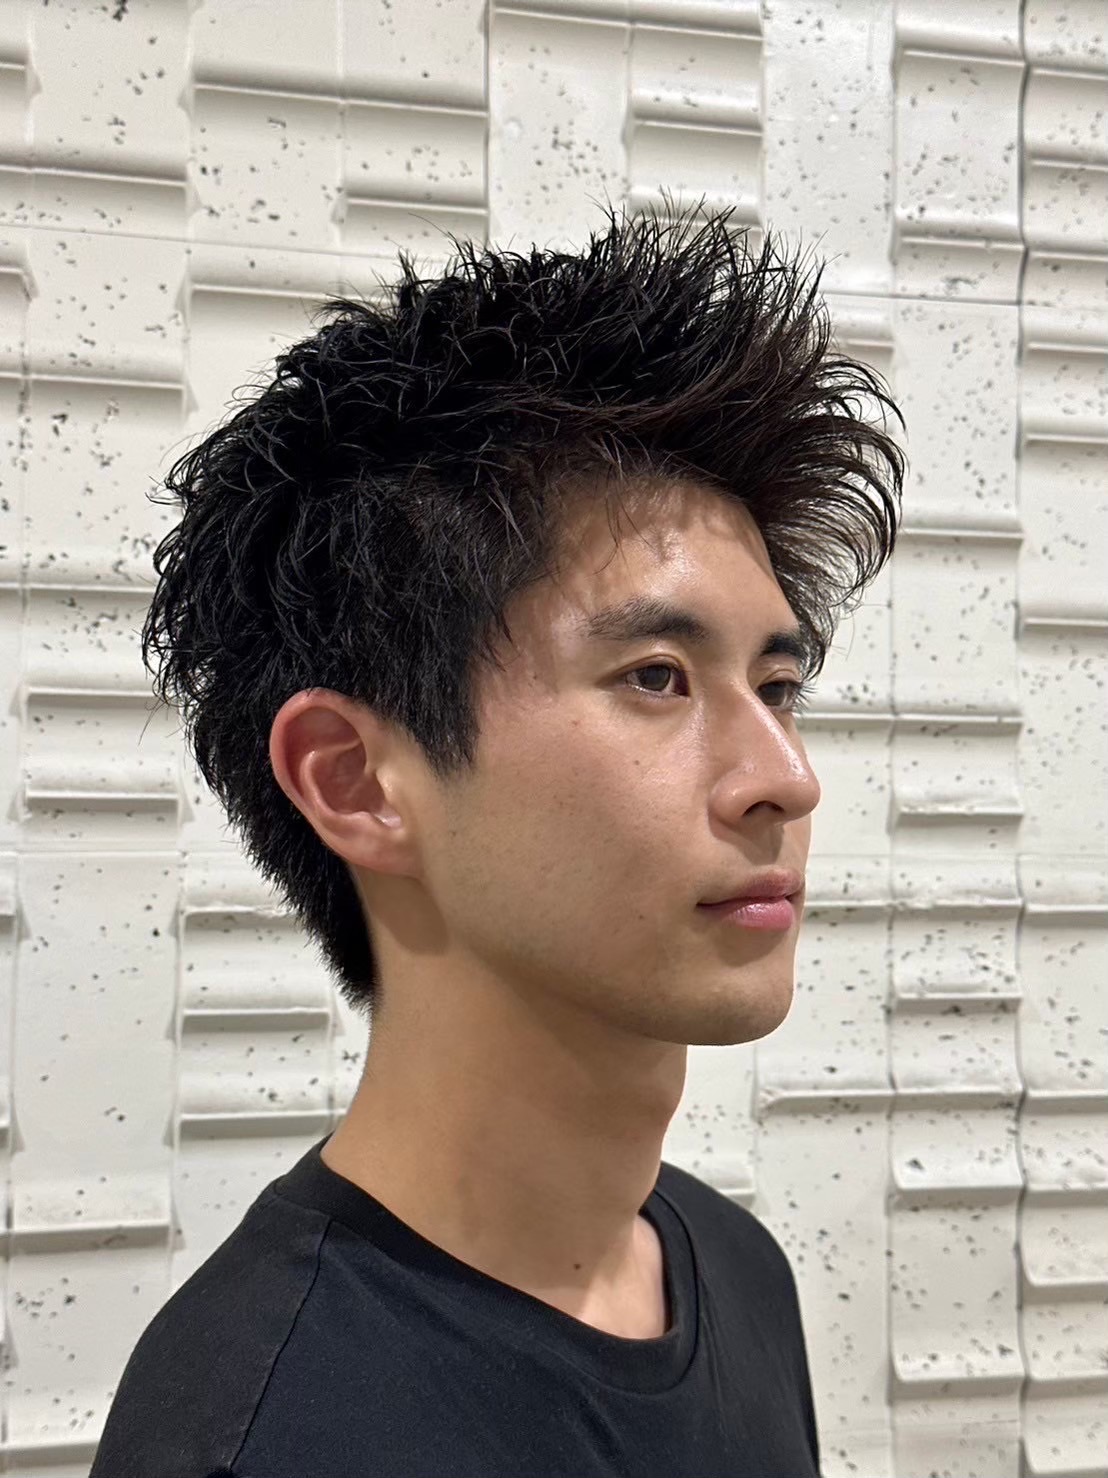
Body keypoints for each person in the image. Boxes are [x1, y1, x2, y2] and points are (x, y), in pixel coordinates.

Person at [90, 204, 903, 1478]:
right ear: (354, 780)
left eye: (776, 686)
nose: (785, 780)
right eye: (654, 676)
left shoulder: (736, 1270)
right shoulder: (271, 1435)